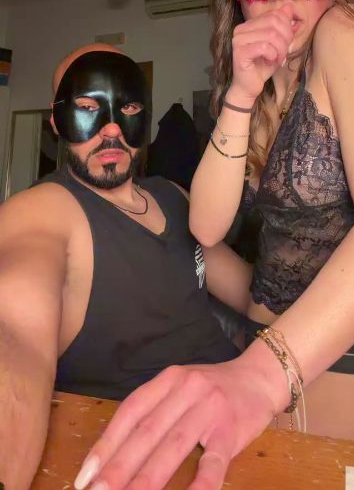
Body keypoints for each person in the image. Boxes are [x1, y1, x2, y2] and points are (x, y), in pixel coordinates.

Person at [75, 0, 354, 490]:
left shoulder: (351, 32)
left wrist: (258, 374)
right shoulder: (265, 87)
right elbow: (207, 226)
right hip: (260, 375)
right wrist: (243, 92)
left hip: (337, 379)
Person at [0, 42, 252, 490]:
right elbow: (14, 338)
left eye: (129, 106)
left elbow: (252, 294)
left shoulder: (175, 196)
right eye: (86, 107)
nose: (112, 128)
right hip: (146, 458)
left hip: (244, 416)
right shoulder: (40, 212)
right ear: (57, 122)